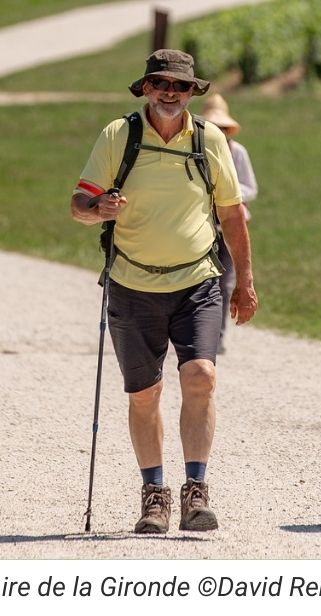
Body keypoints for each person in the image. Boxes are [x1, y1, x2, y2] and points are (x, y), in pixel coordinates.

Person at [71, 49, 257, 534]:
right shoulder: (120, 135)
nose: (169, 93)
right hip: (131, 285)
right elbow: (79, 202)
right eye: (161, 84)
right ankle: (154, 494)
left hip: (197, 281)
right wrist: (98, 209)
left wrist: (247, 284)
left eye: (179, 86)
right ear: (147, 88)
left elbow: (233, 215)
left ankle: (196, 489)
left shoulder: (209, 139)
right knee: (144, 394)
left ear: (192, 91)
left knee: (200, 375)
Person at [198, 95, 258, 351]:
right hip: (202, 225)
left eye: (222, 128)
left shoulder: (237, 152)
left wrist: (226, 193)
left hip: (229, 226)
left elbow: (251, 188)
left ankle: (218, 336)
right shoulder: (195, 150)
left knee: (225, 281)